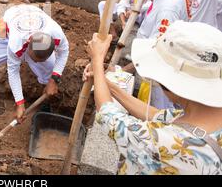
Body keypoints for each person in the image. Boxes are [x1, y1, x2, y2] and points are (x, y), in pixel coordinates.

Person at [84, 21, 222, 175]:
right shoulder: (204, 117)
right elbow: (158, 116)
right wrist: (106, 82)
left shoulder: (169, 143)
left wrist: (97, 60)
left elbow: (108, 116)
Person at [128, 0, 192, 109]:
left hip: (158, 70)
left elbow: (156, 49)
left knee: (156, 111)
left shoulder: (169, 9)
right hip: (161, 63)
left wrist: (123, 70)